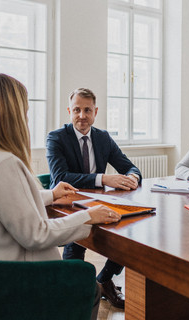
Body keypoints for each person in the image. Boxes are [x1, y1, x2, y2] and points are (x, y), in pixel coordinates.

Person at [0, 73, 121, 320]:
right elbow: (37, 234)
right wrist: (88, 216)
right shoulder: (4, 163)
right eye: (25, 111)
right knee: (88, 284)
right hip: (16, 280)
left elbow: (1, 202)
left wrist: (51, 195)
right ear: (12, 115)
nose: (27, 118)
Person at [46, 88, 142, 309]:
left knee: (130, 235)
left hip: (98, 203)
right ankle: (72, 290)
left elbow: (130, 167)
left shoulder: (102, 137)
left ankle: (104, 280)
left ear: (95, 112)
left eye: (87, 110)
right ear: (69, 111)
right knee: (76, 246)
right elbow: (61, 177)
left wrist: (132, 177)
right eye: (77, 110)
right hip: (67, 204)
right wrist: (103, 179)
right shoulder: (56, 138)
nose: (82, 115)